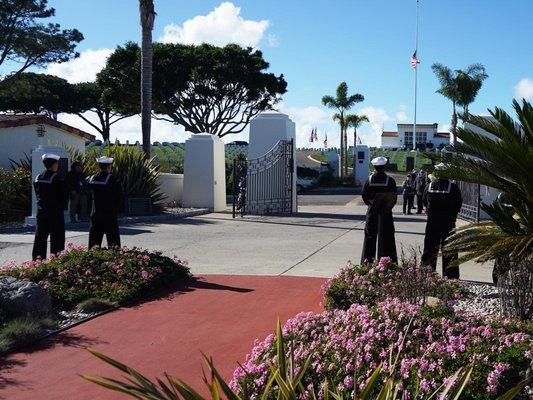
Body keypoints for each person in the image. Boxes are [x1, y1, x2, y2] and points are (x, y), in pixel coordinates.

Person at [421, 163, 463, 278]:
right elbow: (458, 204)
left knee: (429, 248)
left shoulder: (429, 186)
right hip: (448, 223)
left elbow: (424, 200)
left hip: (432, 223)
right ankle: (451, 274)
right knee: (449, 248)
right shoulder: (453, 188)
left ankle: (427, 273)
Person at [361, 156, 398, 264]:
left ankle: (367, 264)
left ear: (374, 166)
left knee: (369, 238)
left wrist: (372, 205)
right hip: (386, 212)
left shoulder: (369, 180)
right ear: (385, 166)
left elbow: (364, 196)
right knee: (387, 239)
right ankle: (387, 264)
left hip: (372, 212)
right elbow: (393, 198)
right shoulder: (390, 180)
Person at [32, 153, 68, 260]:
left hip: (41, 211)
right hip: (55, 212)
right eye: (57, 163)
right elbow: (63, 196)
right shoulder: (57, 178)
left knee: (40, 237)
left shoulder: (38, 177)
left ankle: (38, 260)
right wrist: (60, 208)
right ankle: (56, 260)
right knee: (57, 238)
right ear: (54, 164)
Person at [86, 156, 123, 248]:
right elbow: (119, 196)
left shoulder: (92, 178)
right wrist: (116, 209)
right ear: (109, 166)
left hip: (95, 213)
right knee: (113, 239)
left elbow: (87, 195)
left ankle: (91, 259)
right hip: (109, 213)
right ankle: (114, 260)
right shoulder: (113, 179)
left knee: (94, 240)